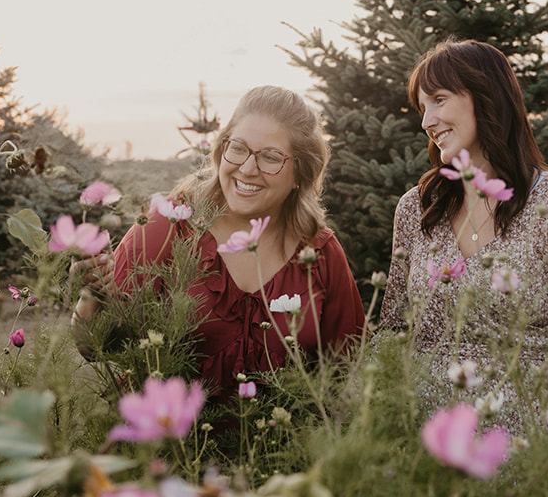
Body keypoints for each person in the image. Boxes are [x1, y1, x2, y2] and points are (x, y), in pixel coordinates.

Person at [376, 40, 548, 429]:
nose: (426, 122)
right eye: (423, 108)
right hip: (420, 452)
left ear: (486, 98)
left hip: (526, 458)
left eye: (439, 100)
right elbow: (392, 333)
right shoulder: (418, 207)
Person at [76, 85, 365, 397]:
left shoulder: (320, 252)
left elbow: (341, 373)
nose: (247, 169)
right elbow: (96, 348)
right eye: (238, 148)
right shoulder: (168, 226)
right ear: (221, 148)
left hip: (285, 442)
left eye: (270, 157)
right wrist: (91, 296)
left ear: (301, 172)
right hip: (171, 441)